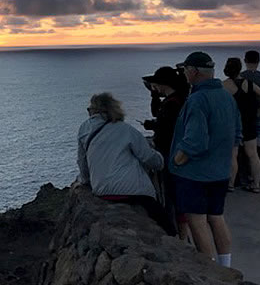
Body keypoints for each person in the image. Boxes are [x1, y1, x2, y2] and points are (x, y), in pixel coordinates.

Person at [171, 52, 242, 267]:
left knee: (197, 222)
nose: (184, 73)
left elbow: (195, 141)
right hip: (220, 172)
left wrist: (177, 160)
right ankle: (226, 268)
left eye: (185, 70)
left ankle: (210, 272)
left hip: (195, 175)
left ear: (193, 72)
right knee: (217, 218)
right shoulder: (227, 97)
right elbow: (237, 133)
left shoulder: (198, 99)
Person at [77, 92, 175, 236]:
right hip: (132, 191)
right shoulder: (125, 130)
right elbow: (148, 157)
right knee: (164, 224)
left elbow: (82, 161)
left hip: (102, 190)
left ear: (93, 111)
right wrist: (161, 161)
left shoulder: (84, 129)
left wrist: (86, 181)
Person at [141, 66, 189, 238]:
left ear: (162, 83)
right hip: (173, 151)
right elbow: (159, 115)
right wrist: (154, 95)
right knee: (174, 195)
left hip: (170, 153)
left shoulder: (172, 104)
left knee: (172, 196)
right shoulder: (178, 99)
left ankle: (177, 234)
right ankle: (179, 233)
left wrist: (153, 125)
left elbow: (165, 126)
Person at [222, 57, 260, 192]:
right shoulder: (249, 84)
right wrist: (259, 112)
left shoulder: (223, 86)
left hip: (232, 124)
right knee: (253, 154)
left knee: (232, 155)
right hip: (249, 122)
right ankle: (256, 185)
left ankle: (231, 184)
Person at [241, 50, 260, 181]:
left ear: (245, 60)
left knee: (248, 151)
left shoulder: (241, 77)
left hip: (246, 118)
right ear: (258, 61)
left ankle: (250, 176)